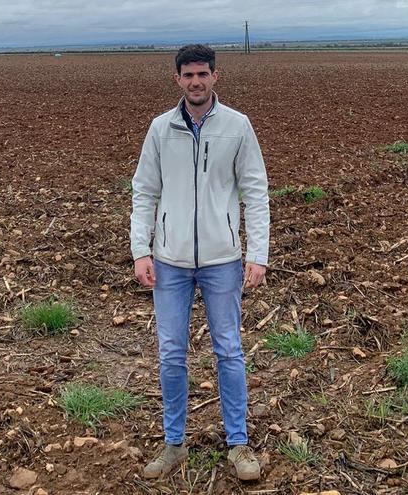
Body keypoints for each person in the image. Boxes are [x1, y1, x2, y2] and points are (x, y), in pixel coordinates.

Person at [129, 44, 270, 481]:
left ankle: (238, 444)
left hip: (222, 260)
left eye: (202, 74)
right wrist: (141, 250)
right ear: (177, 79)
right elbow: (144, 192)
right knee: (171, 354)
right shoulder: (159, 129)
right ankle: (174, 444)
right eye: (188, 75)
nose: (196, 81)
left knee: (228, 351)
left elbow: (255, 192)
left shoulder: (237, 126)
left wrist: (257, 253)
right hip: (169, 261)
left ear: (215, 77)